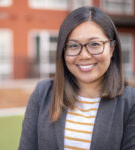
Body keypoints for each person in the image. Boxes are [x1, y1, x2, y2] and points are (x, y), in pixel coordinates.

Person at [18, 6, 135, 150]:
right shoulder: (42, 94)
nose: (84, 55)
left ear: (111, 48)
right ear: (63, 50)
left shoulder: (131, 102)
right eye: (73, 46)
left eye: (94, 44)